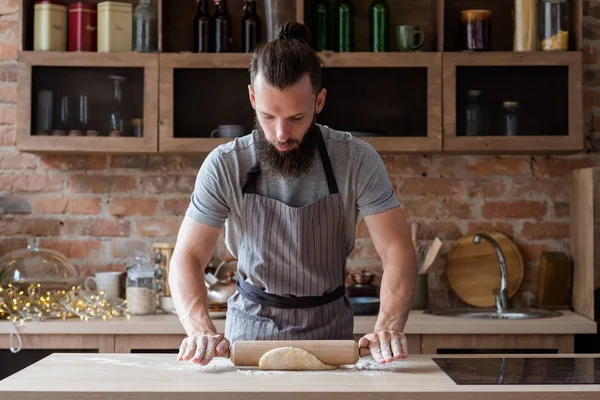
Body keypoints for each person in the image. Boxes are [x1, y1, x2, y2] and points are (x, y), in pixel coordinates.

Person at [169, 21, 417, 368]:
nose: (281, 134)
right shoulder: (225, 165)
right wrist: (199, 330)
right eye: (268, 116)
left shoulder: (356, 159)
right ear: (253, 98)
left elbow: (397, 249)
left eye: (297, 117)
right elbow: (187, 257)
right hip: (249, 337)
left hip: (330, 335)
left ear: (320, 101)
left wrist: (388, 327)